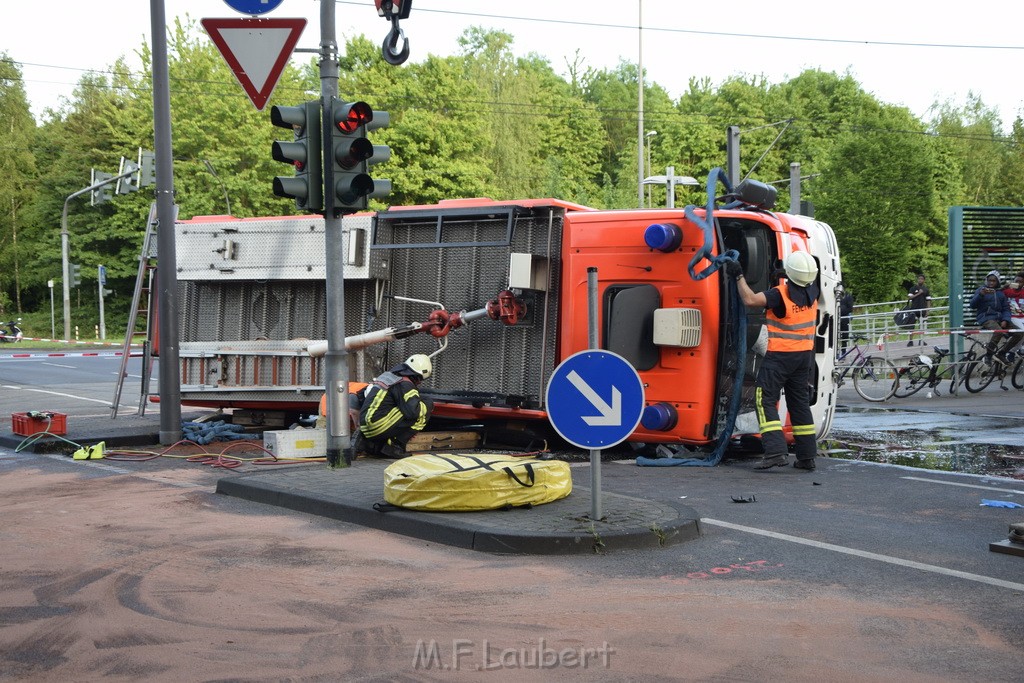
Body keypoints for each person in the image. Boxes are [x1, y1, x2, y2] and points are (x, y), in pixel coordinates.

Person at [726, 251, 820, 472]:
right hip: (803, 358)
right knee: (799, 404)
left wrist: (739, 276)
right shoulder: (813, 292)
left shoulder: (779, 295)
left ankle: (776, 452)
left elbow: (749, 300)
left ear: (791, 273)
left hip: (780, 357)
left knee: (764, 399)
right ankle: (807, 457)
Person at [352, 354, 434, 458]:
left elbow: (363, 394)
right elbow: (412, 413)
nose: (419, 383)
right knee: (425, 405)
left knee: (405, 406)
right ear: (417, 376)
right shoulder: (405, 384)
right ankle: (396, 446)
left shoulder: (389, 376)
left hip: (366, 425)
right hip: (378, 425)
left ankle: (367, 443)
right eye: (420, 379)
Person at [969, 271, 1013, 365]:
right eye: (989, 280)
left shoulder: (1000, 293)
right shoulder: (981, 290)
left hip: (1000, 318)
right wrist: (980, 295)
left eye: (994, 281)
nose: (991, 283)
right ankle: (988, 355)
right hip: (986, 317)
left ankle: (1002, 353)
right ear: (986, 280)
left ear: (997, 282)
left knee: (1020, 333)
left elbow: (1006, 309)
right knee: (998, 332)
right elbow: (972, 305)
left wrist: (1005, 319)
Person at [1000, 271, 1024, 359]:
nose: (1017, 283)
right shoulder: (1007, 291)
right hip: (1012, 317)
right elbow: (996, 294)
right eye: (1016, 281)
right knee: (1021, 331)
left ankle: (1019, 349)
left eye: (1020, 282)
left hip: (1022, 317)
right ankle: (1011, 352)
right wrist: (1004, 287)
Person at [906, 273, 929, 346]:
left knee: (921, 325)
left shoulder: (926, 289)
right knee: (911, 325)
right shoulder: (913, 288)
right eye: (919, 279)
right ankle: (910, 341)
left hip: (922, 309)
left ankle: (921, 340)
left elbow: (928, 300)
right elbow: (909, 298)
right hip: (913, 309)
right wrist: (918, 293)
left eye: (922, 279)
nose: (920, 280)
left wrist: (928, 310)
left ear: (924, 280)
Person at [839, 285, 854, 350]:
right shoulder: (835, 295)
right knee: (834, 335)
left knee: (844, 335)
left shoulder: (848, 296)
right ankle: (836, 351)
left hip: (844, 318)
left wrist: (841, 311)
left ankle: (843, 350)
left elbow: (850, 308)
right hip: (835, 317)